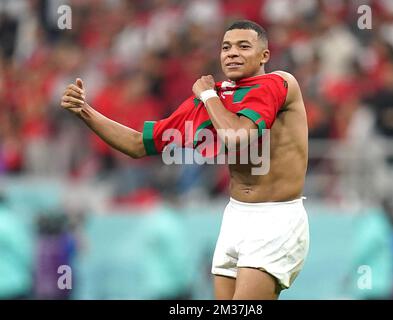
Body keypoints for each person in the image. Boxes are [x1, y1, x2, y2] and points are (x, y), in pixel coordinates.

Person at [61, 20, 309, 300]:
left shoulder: (279, 83)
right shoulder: (217, 96)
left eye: (243, 46)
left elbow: (236, 136)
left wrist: (207, 96)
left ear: (264, 55)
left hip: (275, 216)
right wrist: (85, 111)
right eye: (226, 47)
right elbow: (136, 145)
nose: (232, 53)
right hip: (235, 215)